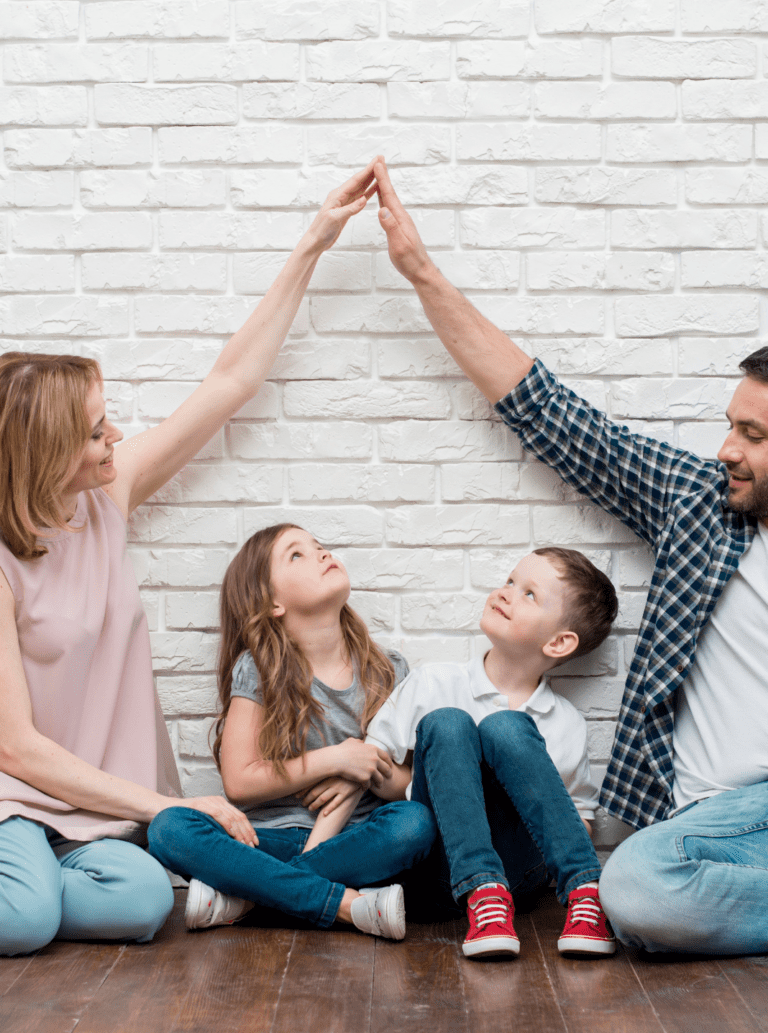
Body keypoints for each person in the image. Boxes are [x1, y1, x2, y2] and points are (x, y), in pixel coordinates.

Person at [373, 154, 768, 957]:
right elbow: (550, 414)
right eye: (732, 424)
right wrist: (420, 274)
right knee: (636, 891)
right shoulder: (700, 504)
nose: (725, 448)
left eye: (753, 435)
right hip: (697, 824)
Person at [0, 162, 379, 957]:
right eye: (98, 430)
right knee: (26, 920)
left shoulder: (103, 500)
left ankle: (36, 878)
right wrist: (169, 804)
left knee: (142, 906)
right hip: (15, 795)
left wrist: (315, 241)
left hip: (95, 808)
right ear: (41, 453)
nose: (116, 438)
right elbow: (17, 749)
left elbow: (230, 381)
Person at [147, 523, 436, 940]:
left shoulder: (389, 670)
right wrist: (336, 757)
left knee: (414, 823)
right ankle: (345, 905)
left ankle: (249, 900)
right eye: (297, 555)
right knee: (168, 827)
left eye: (319, 546)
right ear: (272, 603)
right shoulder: (258, 668)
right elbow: (240, 783)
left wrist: (371, 766)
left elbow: (408, 786)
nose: (322, 553)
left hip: (354, 844)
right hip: (269, 841)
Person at [360, 548, 617, 959]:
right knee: (448, 723)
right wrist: (445, 785)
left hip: (519, 872)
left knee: (506, 727)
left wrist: (524, 799)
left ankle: (585, 894)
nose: (507, 592)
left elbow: (580, 819)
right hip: (438, 870)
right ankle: (482, 891)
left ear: (559, 642)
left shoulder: (566, 722)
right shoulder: (434, 682)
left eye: (530, 594)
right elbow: (372, 760)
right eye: (511, 581)